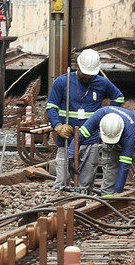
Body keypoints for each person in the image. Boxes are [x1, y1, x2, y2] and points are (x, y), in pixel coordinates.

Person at [44, 48, 124, 189]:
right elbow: (51, 107)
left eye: (90, 75)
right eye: (84, 73)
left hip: (90, 140)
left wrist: (106, 113)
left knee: (86, 181)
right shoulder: (62, 82)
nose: (87, 77)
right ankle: (60, 202)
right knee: (62, 179)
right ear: (78, 66)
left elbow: (119, 97)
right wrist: (57, 126)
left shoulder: (101, 83)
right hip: (66, 140)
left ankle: (83, 201)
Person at [73, 107, 135, 200]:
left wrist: (118, 192)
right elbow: (79, 137)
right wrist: (71, 155)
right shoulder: (99, 115)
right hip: (113, 145)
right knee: (110, 172)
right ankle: (107, 201)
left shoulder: (131, 130)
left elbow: (124, 165)